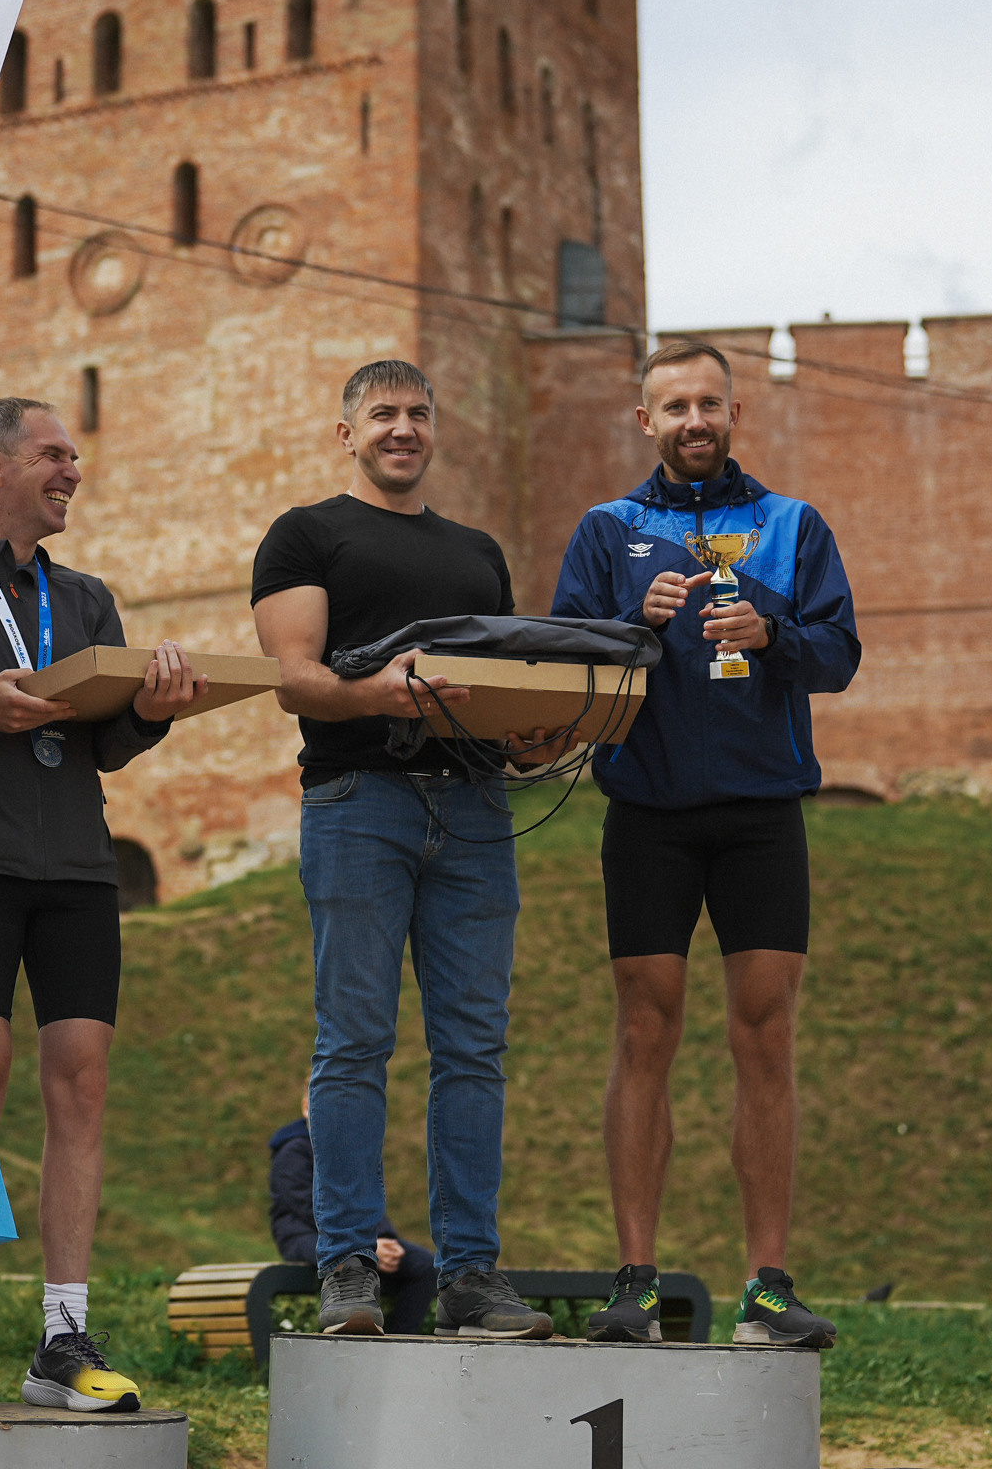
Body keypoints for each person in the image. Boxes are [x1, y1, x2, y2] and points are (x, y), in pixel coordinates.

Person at [548, 339, 857, 1349]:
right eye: (674, 406)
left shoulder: (792, 524)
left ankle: (767, 1287)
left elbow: (839, 654)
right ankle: (635, 1284)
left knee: (765, 1035)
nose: (694, 421)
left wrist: (772, 632)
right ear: (646, 420)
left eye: (709, 404)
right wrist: (629, 621)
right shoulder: (608, 529)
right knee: (646, 1030)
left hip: (763, 813)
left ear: (734, 414)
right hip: (648, 811)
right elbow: (564, 655)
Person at [251, 357, 557, 1342]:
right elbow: (295, 678)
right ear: (348, 433)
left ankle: (470, 1275)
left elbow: (495, 687)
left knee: (475, 1047)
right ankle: (346, 1264)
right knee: (354, 1040)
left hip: (475, 808)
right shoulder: (306, 534)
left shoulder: (478, 552)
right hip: (358, 802)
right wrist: (379, 692)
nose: (403, 428)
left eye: (419, 413)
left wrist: (533, 737)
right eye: (383, 413)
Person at [0, 397, 205, 1413]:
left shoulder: (85, 598)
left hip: (79, 868)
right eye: (52, 454)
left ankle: (63, 1335)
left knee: (81, 1083)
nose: (72, 470)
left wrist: (151, 714)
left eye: (75, 456)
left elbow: (105, 745)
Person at [268, 1085, 438, 1336]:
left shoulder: (351, 1150)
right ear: (306, 1108)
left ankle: (401, 1337)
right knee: (349, 1258)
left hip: (359, 1234)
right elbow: (306, 1206)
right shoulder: (292, 1152)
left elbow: (369, 1198)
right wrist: (365, 1244)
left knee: (425, 1266)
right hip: (303, 1234)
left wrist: (384, 1238)